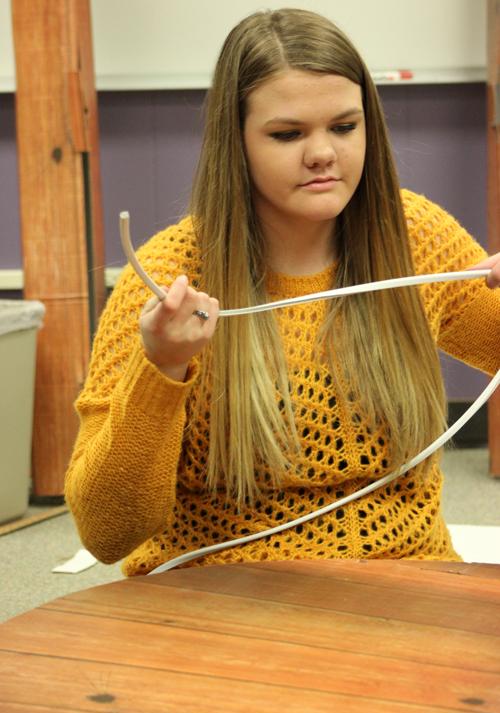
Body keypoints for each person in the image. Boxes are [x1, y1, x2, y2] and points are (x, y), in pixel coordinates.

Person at [65, 8, 500, 575]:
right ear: (236, 141)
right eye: (287, 133)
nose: (323, 153)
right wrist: (161, 370)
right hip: (220, 600)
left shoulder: (415, 238)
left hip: (406, 587)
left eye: (344, 127)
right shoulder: (170, 278)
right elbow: (107, 531)